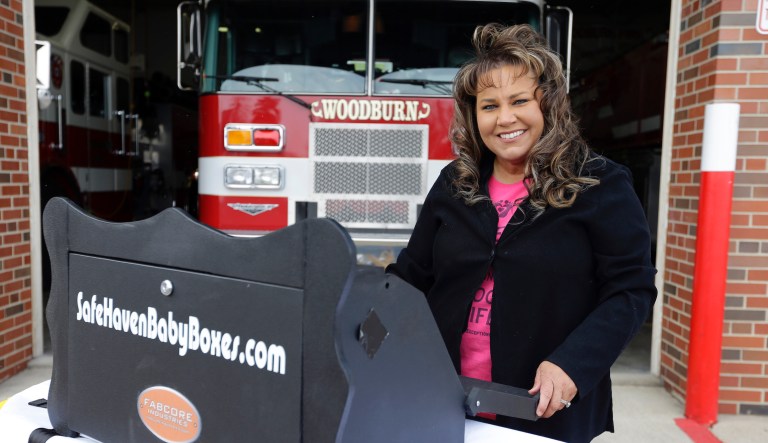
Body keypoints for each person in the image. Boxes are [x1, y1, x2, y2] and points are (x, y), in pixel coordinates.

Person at [386, 23, 657, 442]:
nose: (505, 118)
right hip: (442, 400)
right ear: (474, 117)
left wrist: (573, 363)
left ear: (548, 103)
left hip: (539, 413)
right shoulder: (455, 184)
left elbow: (630, 290)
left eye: (519, 101)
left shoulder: (600, 185)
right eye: (489, 106)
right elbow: (411, 276)